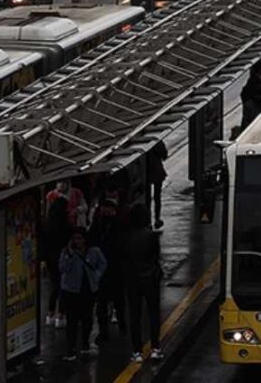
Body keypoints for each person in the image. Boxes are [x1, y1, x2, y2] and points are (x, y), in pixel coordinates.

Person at [58, 228, 107, 361]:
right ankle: (71, 348)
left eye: (80, 238)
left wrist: (96, 276)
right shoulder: (67, 252)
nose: (77, 241)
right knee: (72, 321)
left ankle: (84, 342)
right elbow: (62, 268)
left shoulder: (94, 251)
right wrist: (69, 253)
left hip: (88, 290)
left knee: (87, 318)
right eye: (75, 239)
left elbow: (103, 263)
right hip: (71, 290)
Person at [124, 204, 163, 362]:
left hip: (133, 279)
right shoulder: (151, 236)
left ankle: (137, 351)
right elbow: (156, 255)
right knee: (153, 314)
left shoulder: (126, 236)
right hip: (150, 278)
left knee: (135, 315)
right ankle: (155, 347)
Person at [90, 198, 127, 342]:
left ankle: (120, 325)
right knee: (103, 303)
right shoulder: (98, 225)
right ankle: (105, 330)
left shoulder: (116, 225)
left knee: (115, 301)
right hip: (104, 270)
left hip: (114, 269)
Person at [42, 196, 71, 329]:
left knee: (54, 286)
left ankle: (50, 313)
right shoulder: (65, 225)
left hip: (50, 259)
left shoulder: (48, 225)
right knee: (63, 286)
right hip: (63, 258)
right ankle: (61, 314)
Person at [144, 141, 168, 230]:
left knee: (147, 198)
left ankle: (148, 220)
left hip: (146, 172)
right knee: (157, 197)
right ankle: (157, 218)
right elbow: (164, 156)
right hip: (157, 171)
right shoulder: (158, 142)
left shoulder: (143, 143)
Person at [240, 63, 261, 129]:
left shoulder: (251, 81)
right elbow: (259, 99)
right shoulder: (256, 82)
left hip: (250, 114)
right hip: (253, 114)